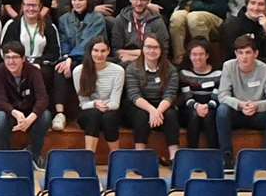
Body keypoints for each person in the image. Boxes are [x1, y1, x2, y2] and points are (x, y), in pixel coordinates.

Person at [216, 36, 266, 167]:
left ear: (256, 54)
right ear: (236, 54)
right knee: (222, 110)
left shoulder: (264, 69)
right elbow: (222, 95)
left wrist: (257, 106)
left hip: (257, 113)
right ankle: (226, 157)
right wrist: (240, 104)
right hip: (237, 112)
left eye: (248, 52)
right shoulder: (228, 66)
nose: (244, 57)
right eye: (240, 53)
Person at [0, 42, 51, 164]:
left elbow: (43, 98)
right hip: (11, 112)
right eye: (7, 57)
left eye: (15, 57)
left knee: (45, 115)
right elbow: (0, 100)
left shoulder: (33, 71)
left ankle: (34, 155)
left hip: (30, 112)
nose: (11, 61)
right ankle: (5, 157)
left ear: (23, 59)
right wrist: (15, 113)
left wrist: (30, 118)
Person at [123, 34, 179, 163]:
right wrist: (152, 111)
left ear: (161, 50)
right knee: (141, 115)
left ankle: (174, 157)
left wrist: (157, 111)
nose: (152, 51)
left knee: (171, 114)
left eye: (156, 47)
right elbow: (134, 95)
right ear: (142, 49)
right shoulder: (133, 68)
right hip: (138, 105)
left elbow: (170, 95)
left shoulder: (170, 69)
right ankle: (140, 157)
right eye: (148, 47)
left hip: (161, 105)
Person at [74, 37, 124, 155]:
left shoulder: (118, 71)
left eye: (103, 51)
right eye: (96, 50)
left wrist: (104, 106)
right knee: (94, 114)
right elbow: (83, 103)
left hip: (110, 110)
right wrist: (95, 104)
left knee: (109, 117)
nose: (99, 54)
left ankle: (116, 157)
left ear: (108, 51)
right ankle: (89, 157)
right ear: (90, 51)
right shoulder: (78, 71)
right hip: (89, 112)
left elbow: (115, 103)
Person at [108, 0, 167, 66]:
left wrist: (135, 55)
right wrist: (144, 53)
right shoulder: (120, 19)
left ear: (149, 0)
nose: (139, 3)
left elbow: (163, 51)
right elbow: (116, 50)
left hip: (151, 63)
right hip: (125, 62)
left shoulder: (158, 22)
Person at [178, 40, 221, 148]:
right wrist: (197, 107)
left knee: (209, 117)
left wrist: (207, 106)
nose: (198, 58)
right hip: (190, 107)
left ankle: (214, 153)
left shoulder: (219, 73)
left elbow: (217, 96)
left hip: (211, 106)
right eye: (194, 54)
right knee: (194, 115)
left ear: (207, 55)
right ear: (189, 56)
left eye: (201, 54)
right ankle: (192, 152)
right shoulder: (184, 73)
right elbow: (186, 96)